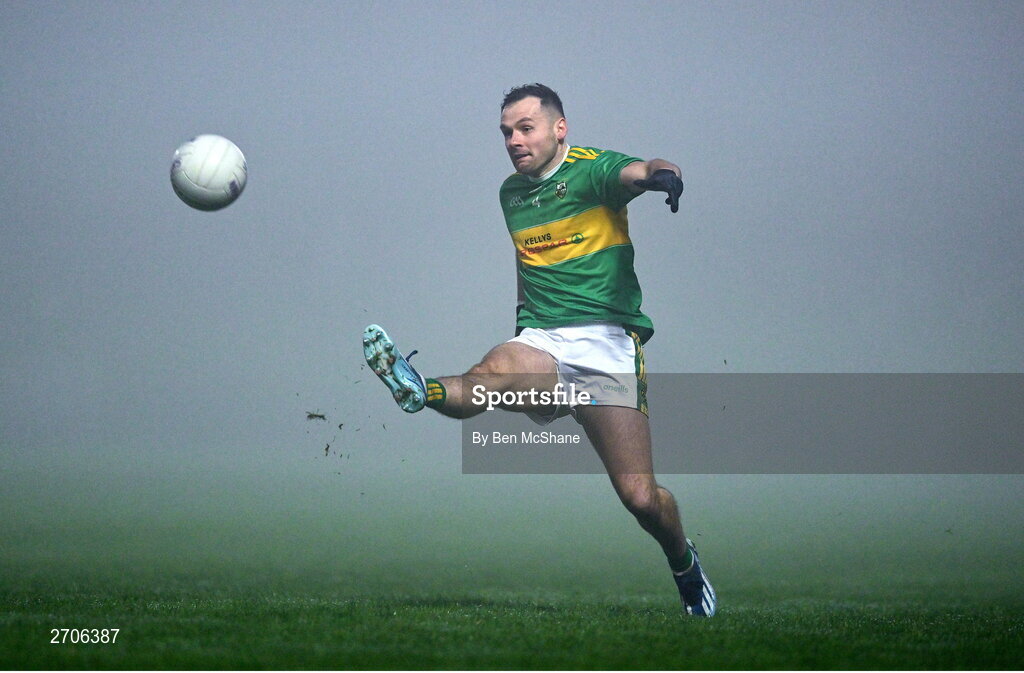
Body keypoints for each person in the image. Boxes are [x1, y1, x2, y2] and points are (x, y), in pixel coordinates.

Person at [363, 83, 716, 617]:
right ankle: (419, 387)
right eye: (506, 132)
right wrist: (525, 333)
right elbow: (528, 272)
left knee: (641, 499)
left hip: (606, 346)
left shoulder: (593, 169)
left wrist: (664, 177)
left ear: (559, 129)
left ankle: (683, 562)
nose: (513, 140)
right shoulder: (511, 193)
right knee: (486, 375)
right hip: (544, 342)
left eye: (525, 128)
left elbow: (642, 169)